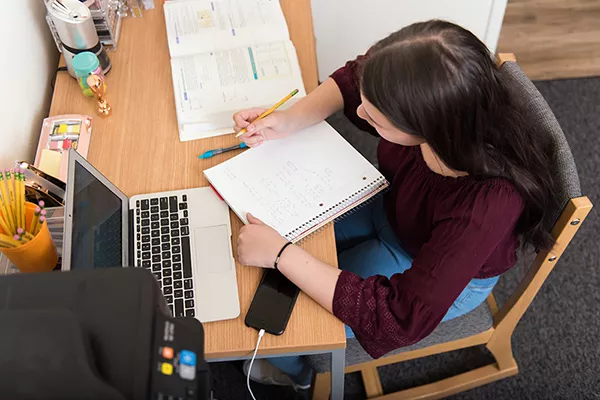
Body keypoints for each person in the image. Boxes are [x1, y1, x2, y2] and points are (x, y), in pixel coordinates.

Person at [233, 20, 557, 390]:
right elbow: (354, 81)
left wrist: (281, 255)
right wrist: (289, 120)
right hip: (393, 207)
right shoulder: (443, 104)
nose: (358, 114)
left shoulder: (487, 205)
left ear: (428, 127)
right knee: (276, 240)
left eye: (375, 118)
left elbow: (402, 317)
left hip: (430, 268)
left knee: (286, 316)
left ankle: (299, 372)